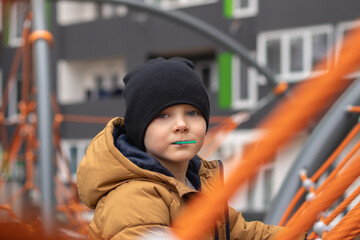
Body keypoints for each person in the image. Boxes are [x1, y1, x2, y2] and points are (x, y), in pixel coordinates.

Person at [77, 57, 306, 240]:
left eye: (192, 113)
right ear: (140, 129)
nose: (181, 125)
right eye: (163, 115)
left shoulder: (197, 184)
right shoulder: (135, 196)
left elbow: (243, 233)